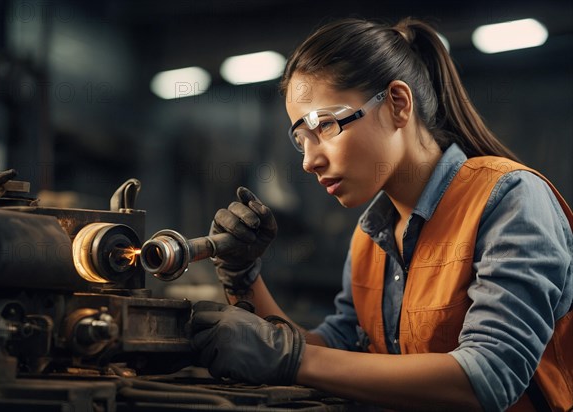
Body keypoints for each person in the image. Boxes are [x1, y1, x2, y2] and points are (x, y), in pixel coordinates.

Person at [189, 17, 573, 412]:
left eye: (324, 126)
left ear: (397, 104)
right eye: (301, 140)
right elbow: (334, 353)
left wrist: (293, 359)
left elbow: (488, 377)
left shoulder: (510, 200)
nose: (308, 161)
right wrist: (244, 279)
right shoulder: (372, 235)